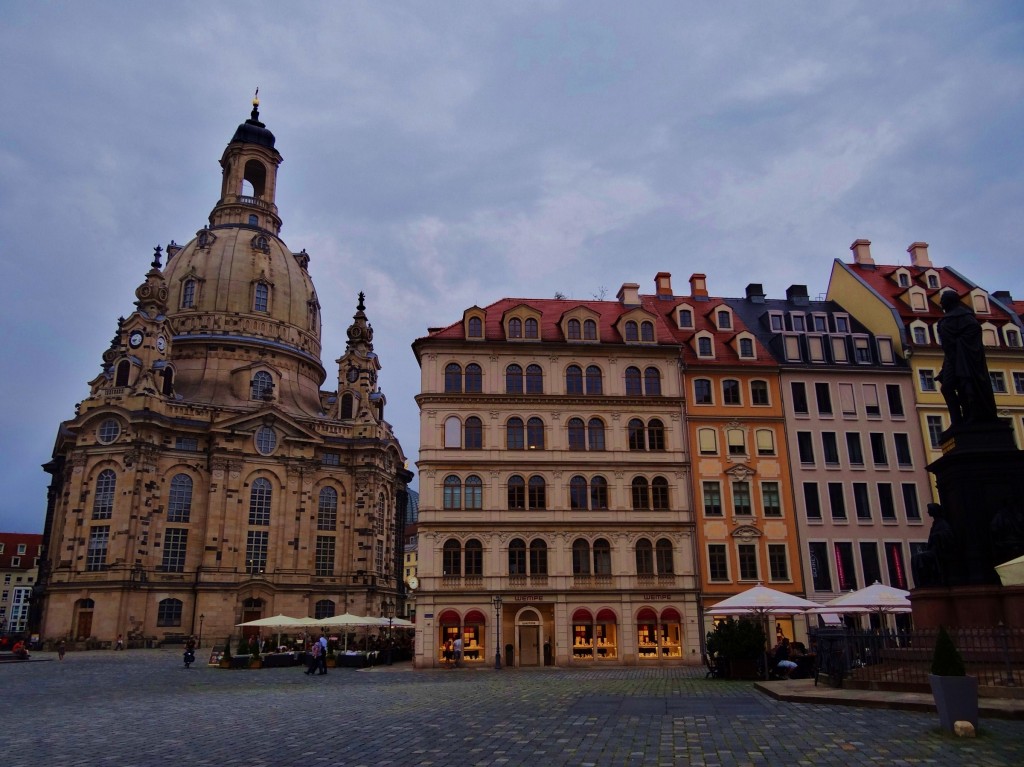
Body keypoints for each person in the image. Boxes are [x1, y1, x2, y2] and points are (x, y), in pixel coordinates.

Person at [937, 289, 998, 427]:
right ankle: (957, 421)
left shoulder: (965, 317)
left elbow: (973, 335)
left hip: (966, 359)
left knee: (967, 388)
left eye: (943, 300)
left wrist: (958, 343)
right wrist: (945, 366)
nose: (941, 303)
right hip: (952, 359)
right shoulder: (946, 319)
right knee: (946, 388)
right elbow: (947, 347)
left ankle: (973, 415)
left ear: (950, 301)